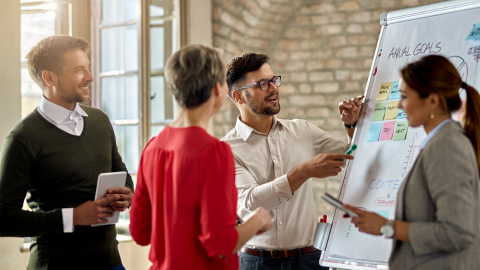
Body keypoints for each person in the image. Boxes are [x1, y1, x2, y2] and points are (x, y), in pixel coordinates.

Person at [129, 45, 273, 270]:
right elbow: (220, 243)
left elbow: (140, 232)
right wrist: (257, 221)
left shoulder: (152, 147)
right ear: (218, 88)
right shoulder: (213, 151)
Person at [0, 35, 134, 270]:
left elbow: (122, 174)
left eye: (89, 68)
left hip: (111, 263)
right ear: (49, 77)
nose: (90, 77)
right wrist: (73, 217)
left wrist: (126, 195)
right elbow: (3, 218)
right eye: (79, 70)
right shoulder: (23, 137)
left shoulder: (100, 122)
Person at [221, 52, 364, 269]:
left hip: (309, 260)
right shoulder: (226, 149)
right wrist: (303, 171)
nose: (273, 88)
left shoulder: (302, 130)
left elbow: (352, 155)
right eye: (262, 84)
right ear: (239, 97)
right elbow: (251, 201)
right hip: (255, 263)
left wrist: (352, 127)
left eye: (273, 80)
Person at [345, 55, 480, 270]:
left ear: (433, 101)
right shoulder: (439, 143)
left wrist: (386, 227)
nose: (399, 105)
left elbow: (457, 232)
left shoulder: (447, 146)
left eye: (405, 96)